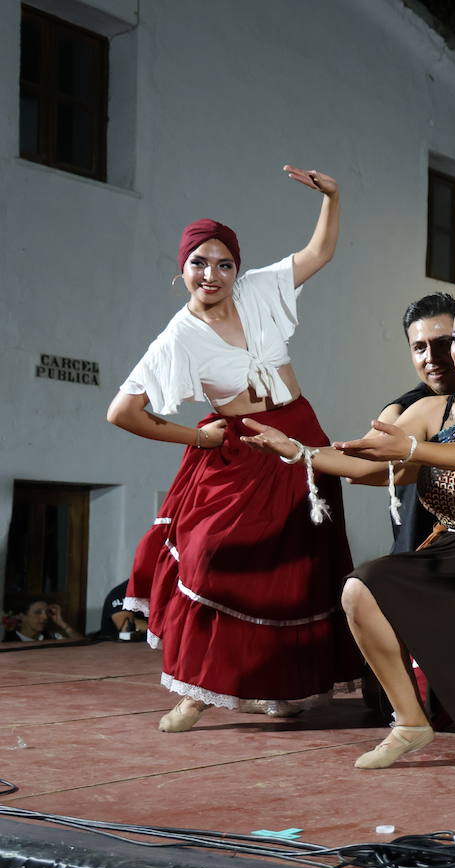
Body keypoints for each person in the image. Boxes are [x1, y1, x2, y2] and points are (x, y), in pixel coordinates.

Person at [244, 289, 455, 767]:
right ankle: (410, 722)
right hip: (454, 552)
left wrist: (413, 450)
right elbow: (367, 467)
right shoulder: (433, 410)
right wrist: (297, 450)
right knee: (361, 588)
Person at [107, 166, 360, 732]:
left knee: (300, 567)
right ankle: (196, 692)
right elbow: (121, 411)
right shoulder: (178, 337)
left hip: (300, 436)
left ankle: (286, 686)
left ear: (237, 269)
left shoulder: (259, 291)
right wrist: (199, 436)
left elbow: (320, 252)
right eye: (200, 262)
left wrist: (333, 197)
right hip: (241, 448)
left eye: (224, 263)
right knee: (213, 559)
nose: (212, 273)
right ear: (183, 270)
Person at [378, 293, 455, 554]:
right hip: (419, 558)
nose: (431, 357)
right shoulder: (405, 408)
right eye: (419, 347)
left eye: (442, 344)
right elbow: (373, 450)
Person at [3, 600, 78, 642]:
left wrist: (62, 623)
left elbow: (82, 646)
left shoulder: (52, 637)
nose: (45, 617)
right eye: (38, 612)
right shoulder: (8, 642)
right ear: (22, 616)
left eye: (46, 612)